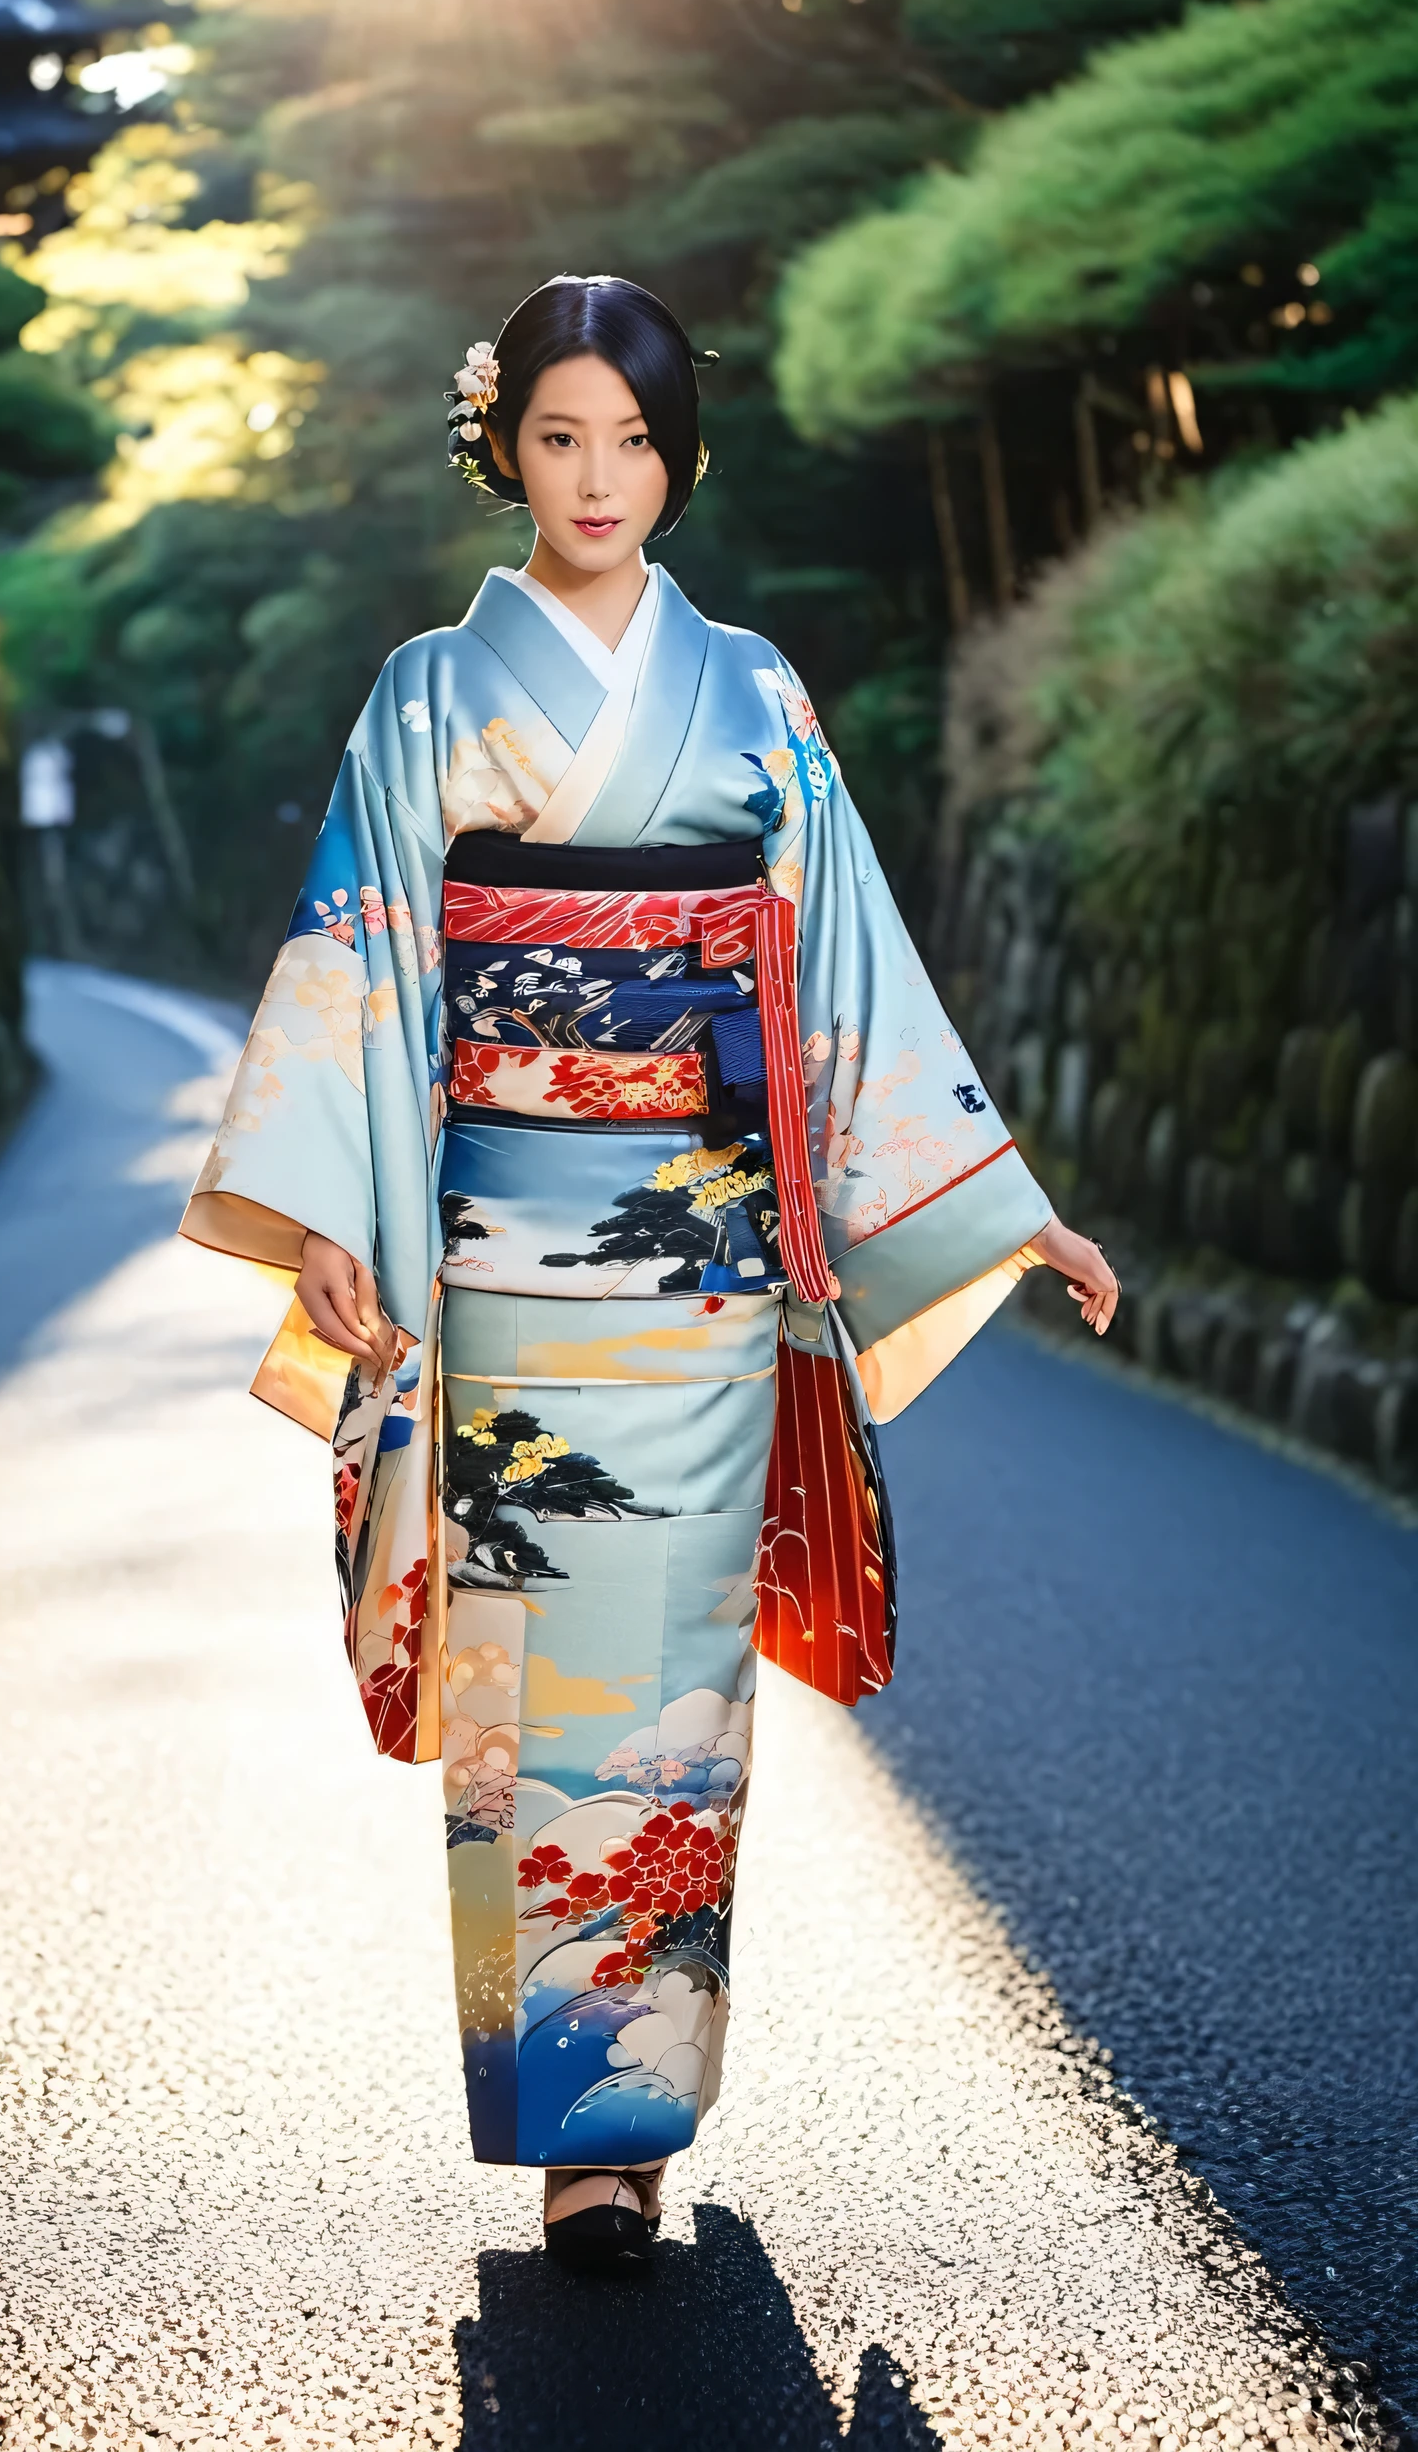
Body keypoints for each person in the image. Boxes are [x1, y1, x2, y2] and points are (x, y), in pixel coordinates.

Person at [181, 273, 1117, 2272]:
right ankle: (562, 2132)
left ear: (679, 462)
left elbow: (844, 957)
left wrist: (994, 1200)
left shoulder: (754, 693)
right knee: (530, 1692)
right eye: (557, 436)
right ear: (501, 447)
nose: (596, 477)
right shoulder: (432, 693)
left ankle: (639, 2125)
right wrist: (344, 1211)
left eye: (632, 440)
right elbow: (364, 963)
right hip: (502, 1251)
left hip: (701, 1255)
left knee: (673, 1699)